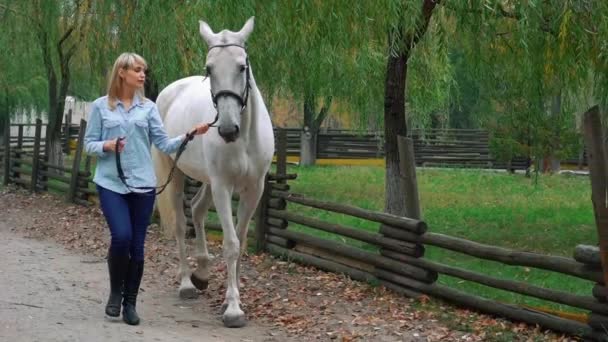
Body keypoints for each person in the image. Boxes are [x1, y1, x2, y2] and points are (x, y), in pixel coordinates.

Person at [84, 52, 209, 325]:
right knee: (121, 237)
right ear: (122, 73)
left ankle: (130, 303)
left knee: (138, 247)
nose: (143, 75)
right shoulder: (101, 107)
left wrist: (189, 135)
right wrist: (106, 145)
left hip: (143, 184)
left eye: (144, 70)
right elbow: (88, 143)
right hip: (111, 183)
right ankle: (115, 293)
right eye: (138, 70)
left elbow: (163, 144)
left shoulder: (149, 108)